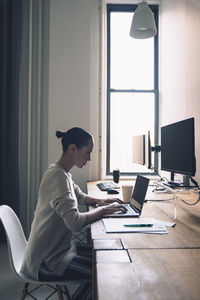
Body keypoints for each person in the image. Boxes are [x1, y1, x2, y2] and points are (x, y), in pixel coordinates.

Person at [20, 127, 125, 299]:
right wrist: (103, 210)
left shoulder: (62, 173)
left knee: (103, 255)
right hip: (45, 261)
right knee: (102, 271)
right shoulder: (57, 178)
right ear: (73, 148)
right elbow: (74, 223)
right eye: (88, 152)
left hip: (58, 250)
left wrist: (100, 201)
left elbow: (80, 196)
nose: (89, 158)